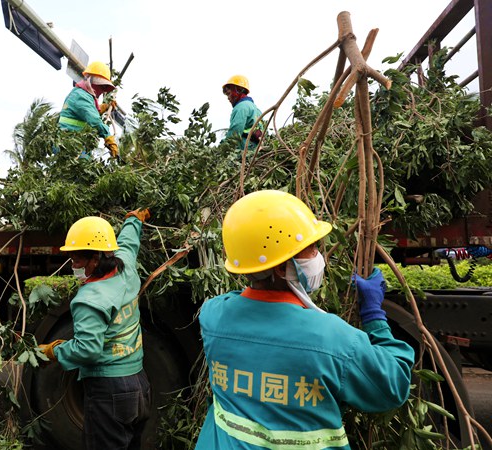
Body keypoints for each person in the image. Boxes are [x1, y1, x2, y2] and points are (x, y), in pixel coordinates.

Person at [194, 190, 414, 449]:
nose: (318, 256)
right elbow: (393, 386)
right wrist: (374, 316)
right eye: (310, 249)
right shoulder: (333, 339)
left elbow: (240, 298)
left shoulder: (213, 316)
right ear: (279, 268)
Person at [38, 210, 151, 450]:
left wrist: (53, 352)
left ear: (96, 259)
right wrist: (134, 219)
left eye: (77, 260)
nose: (73, 265)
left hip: (110, 391)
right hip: (139, 385)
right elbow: (129, 241)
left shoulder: (89, 299)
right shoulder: (126, 266)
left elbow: (88, 349)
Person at [58, 60, 119, 159]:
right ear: (90, 81)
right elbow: (94, 120)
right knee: (83, 168)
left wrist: (104, 107)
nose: (101, 91)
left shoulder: (84, 95)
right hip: (68, 142)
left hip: (74, 141)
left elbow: (89, 113)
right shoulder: (81, 95)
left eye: (104, 87)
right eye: (101, 86)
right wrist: (108, 137)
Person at [221, 74, 263, 150]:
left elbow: (234, 133)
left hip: (244, 152)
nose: (228, 98)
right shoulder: (256, 109)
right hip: (255, 151)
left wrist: (222, 149)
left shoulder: (241, 107)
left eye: (229, 93)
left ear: (238, 90)